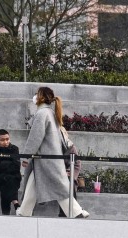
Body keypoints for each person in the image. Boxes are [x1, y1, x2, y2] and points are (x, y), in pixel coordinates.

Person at [16, 86, 89, 218]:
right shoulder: (51, 113)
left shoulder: (42, 114)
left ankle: (76, 211)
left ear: (41, 97)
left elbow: (35, 138)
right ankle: (24, 210)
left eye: (37, 94)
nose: (35, 97)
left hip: (45, 159)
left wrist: (26, 157)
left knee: (59, 187)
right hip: (49, 159)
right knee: (34, 182)